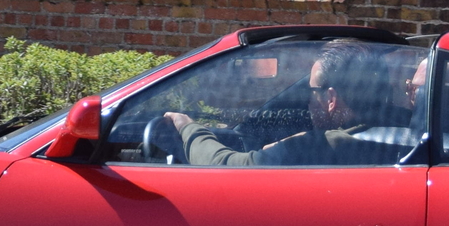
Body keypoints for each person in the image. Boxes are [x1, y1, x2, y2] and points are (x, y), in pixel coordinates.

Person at [171, 40, 426, 167]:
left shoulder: (317, 147)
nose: (308, 102)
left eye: (311, 90)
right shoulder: (411, 133)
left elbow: (224, 166)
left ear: (330, 99)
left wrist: (187, 127)